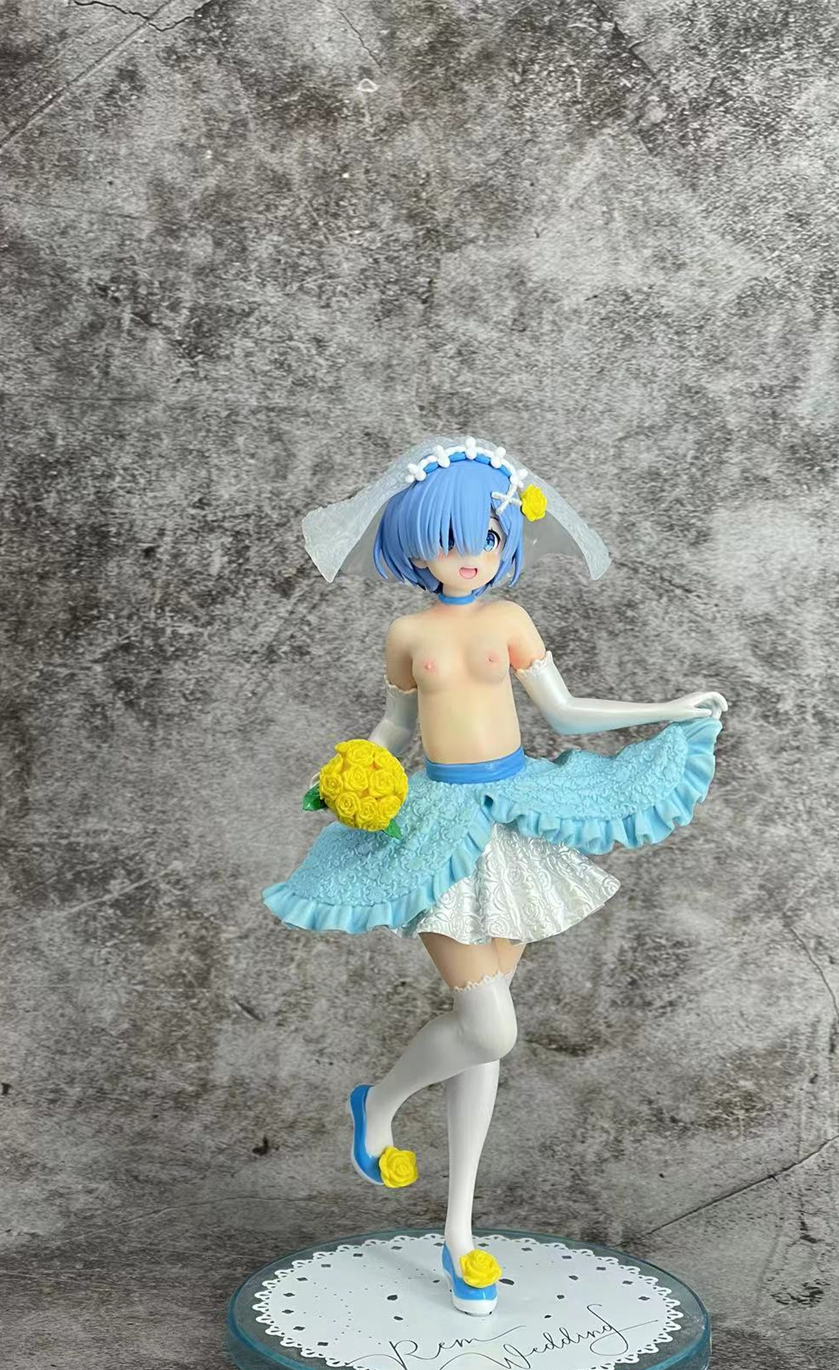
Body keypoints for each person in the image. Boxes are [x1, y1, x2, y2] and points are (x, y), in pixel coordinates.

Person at [263, 436, 726, 1316]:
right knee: (490, 1027)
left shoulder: (510, 619)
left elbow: (565, 712)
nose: (469, 553)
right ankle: (379, 1102)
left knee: (483, 1039)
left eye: (485, 533)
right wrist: (353, 772)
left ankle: (459, 1234)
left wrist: (669, 706)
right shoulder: (408, 634)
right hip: (441, 825)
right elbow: (396, 729)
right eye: (447, 539)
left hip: (514, 819)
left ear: (507, 535)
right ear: (414, 545)